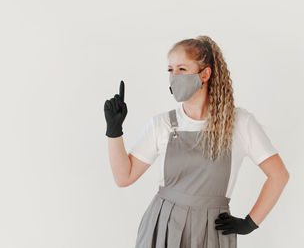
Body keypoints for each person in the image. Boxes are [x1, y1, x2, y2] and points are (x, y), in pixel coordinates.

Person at [104, 36, 290, 248]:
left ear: (205, 73)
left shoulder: (238, 123)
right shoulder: (162, 124)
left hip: (212, 231)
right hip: (164, 226)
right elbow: (124, 176)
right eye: (170, 70)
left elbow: (279, 175)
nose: (174, 76)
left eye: (182, 69)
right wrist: (114, 130)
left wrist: (249, 223)